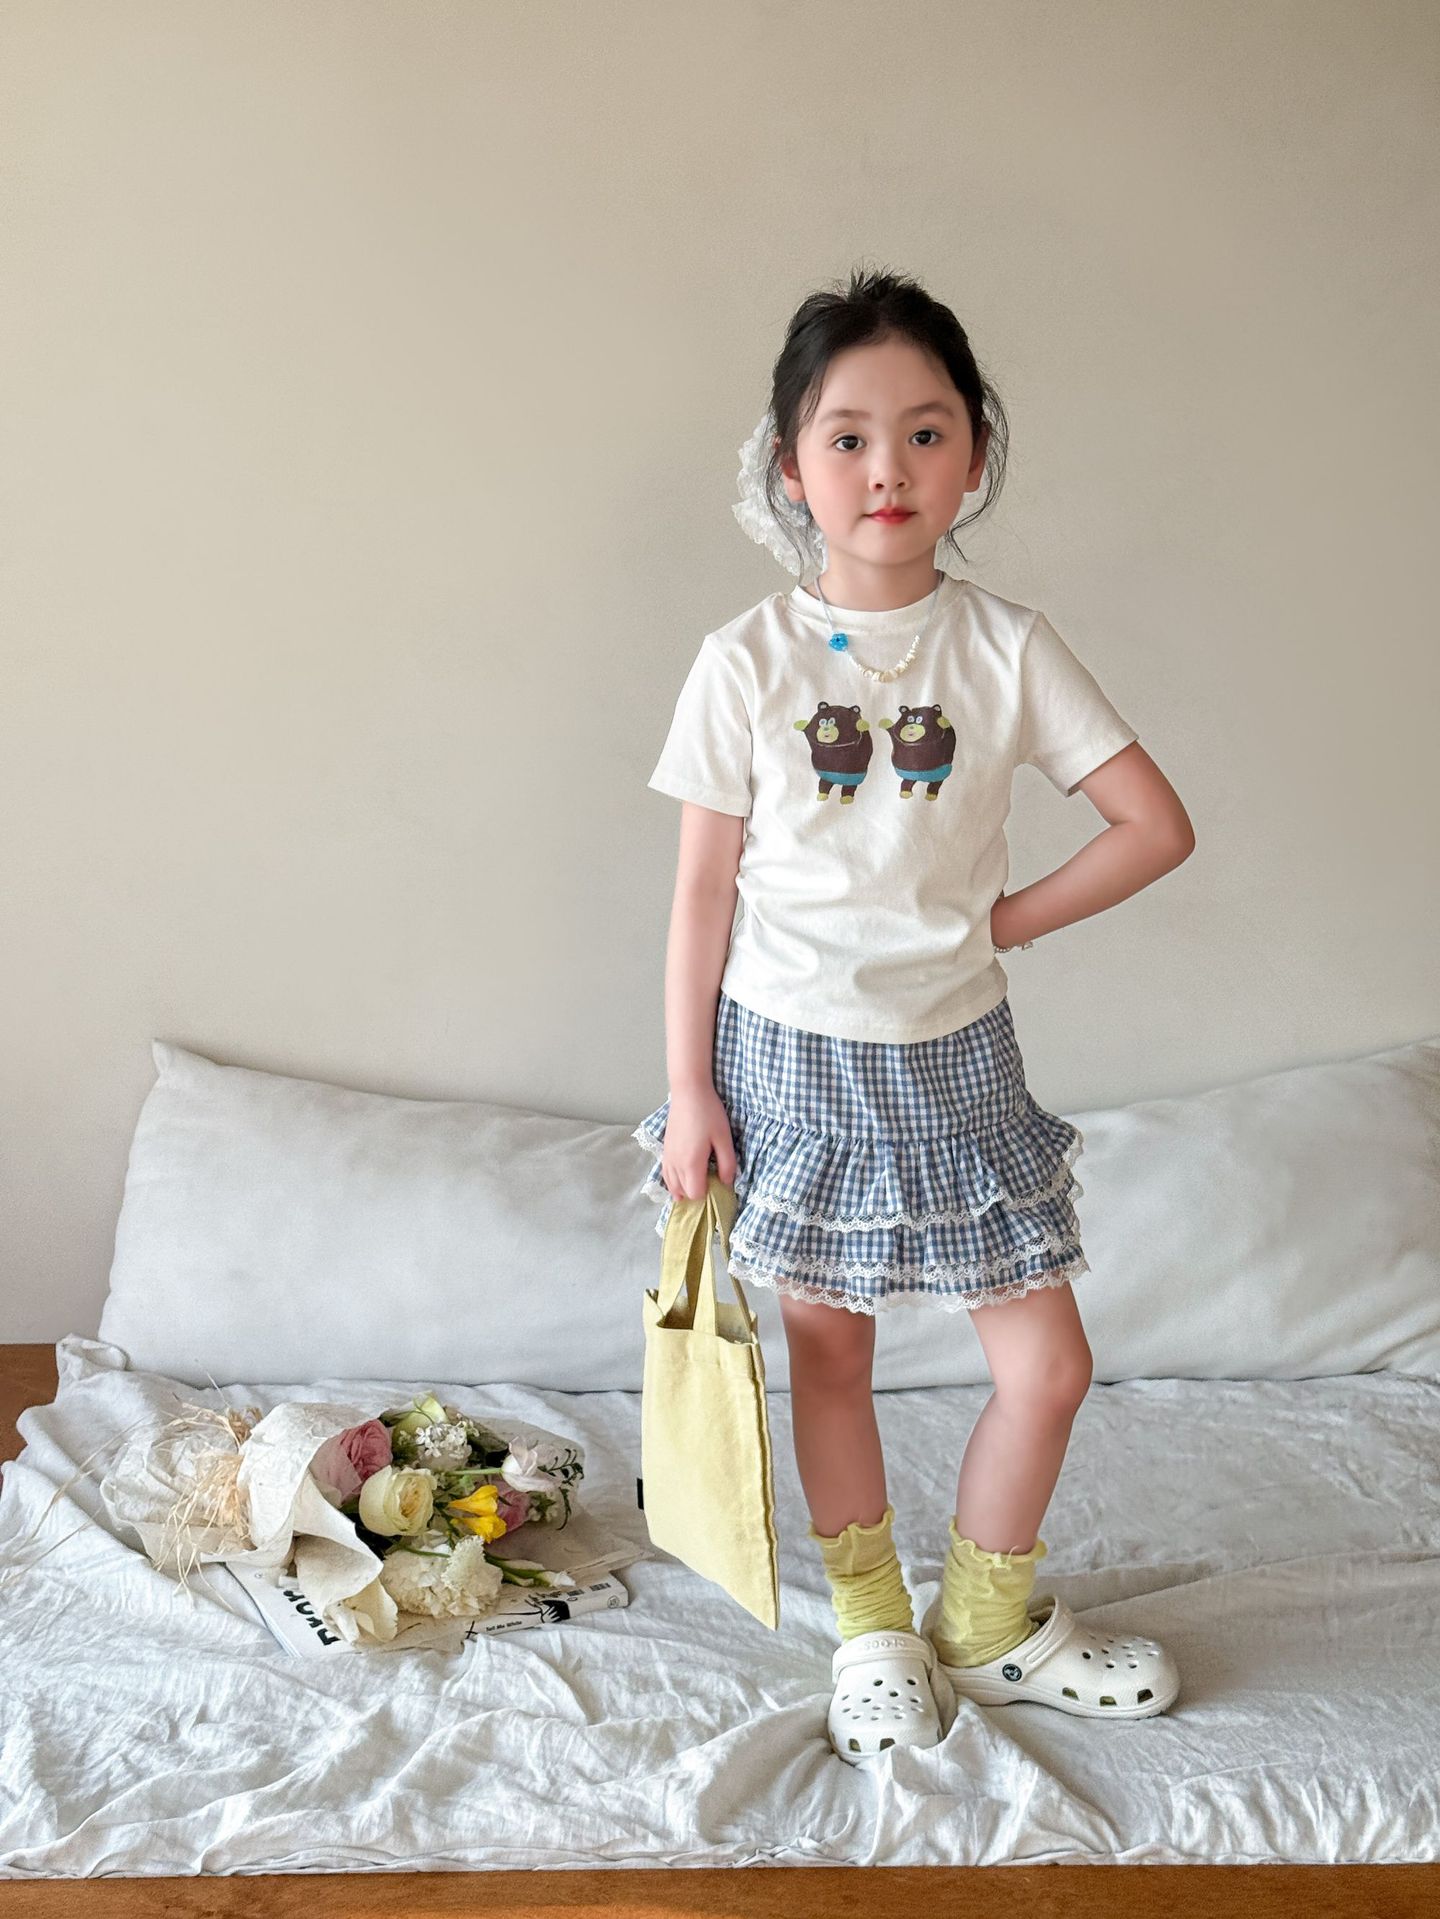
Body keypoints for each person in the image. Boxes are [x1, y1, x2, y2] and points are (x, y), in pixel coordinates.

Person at [632, 266, 1193, 1763]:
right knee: (832, 1358)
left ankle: (988, 1624)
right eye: (849, 437)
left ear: (975, 456)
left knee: (1049, 1366)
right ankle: (874, 1629)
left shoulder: (1007, 647)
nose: (889, 468)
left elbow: (1154, 825)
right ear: (789, 466)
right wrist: (690, 1090)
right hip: (787, 1058)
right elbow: (700, 896)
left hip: (958, 1060)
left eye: (927, 433)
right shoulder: (743, 662)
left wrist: (1003, 921)